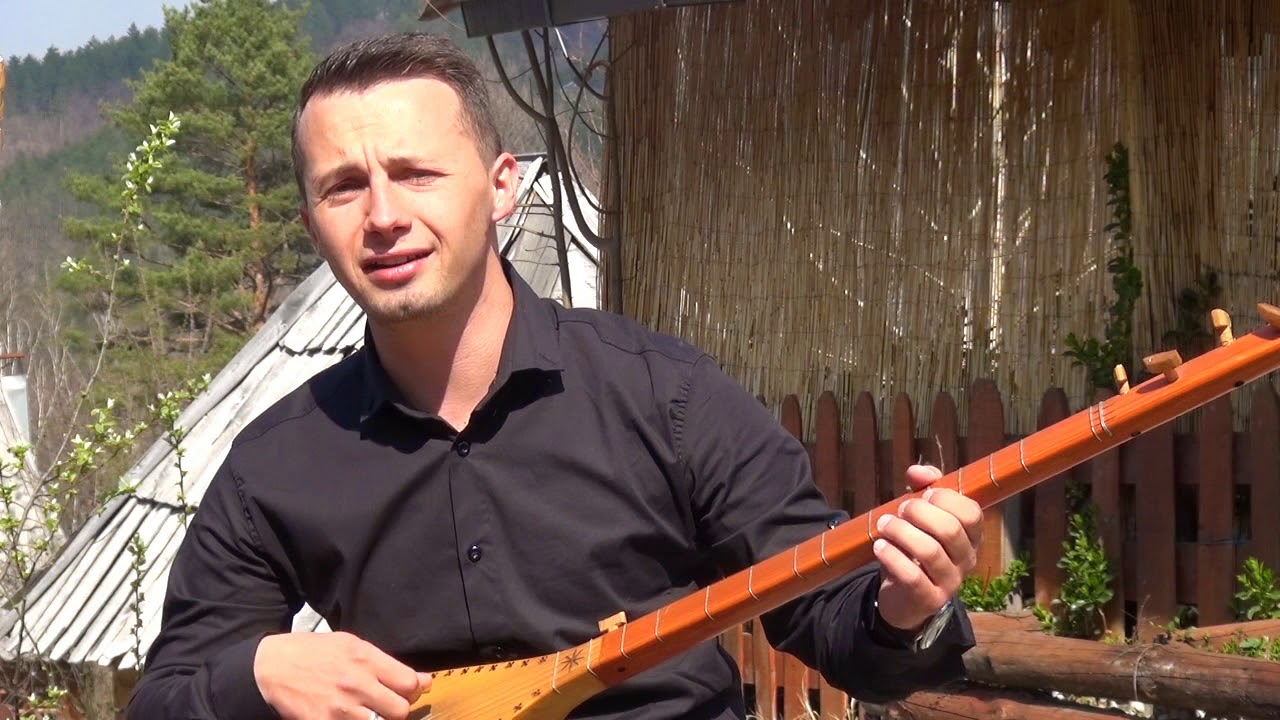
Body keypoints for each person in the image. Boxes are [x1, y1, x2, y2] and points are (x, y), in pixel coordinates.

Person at [128, 32, 983, 720]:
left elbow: (833, 620)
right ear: (312, 221)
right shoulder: (277, 464)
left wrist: (905, 608)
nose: (384, 216)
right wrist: (258, 672)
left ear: (502, 186)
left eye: (417, 174)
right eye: (344, 188)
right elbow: (167, 696)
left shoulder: (665, 397)